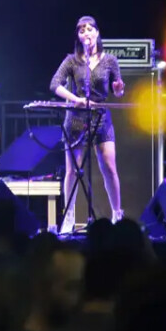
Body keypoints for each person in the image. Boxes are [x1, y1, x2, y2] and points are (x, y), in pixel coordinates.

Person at [49, 15, 125, 233]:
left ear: (97, 33)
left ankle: (117, 215)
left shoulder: (110, 60)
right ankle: (69, 216)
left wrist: (119, 89)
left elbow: (117, 91)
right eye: (82, 31)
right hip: (76, 117)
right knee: (73, 170)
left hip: (100, 115)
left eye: (90, 29)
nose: (86, 33)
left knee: (109, 167)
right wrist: (76, 100)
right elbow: (54, 84)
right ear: (79, 37)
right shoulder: (72, 60)